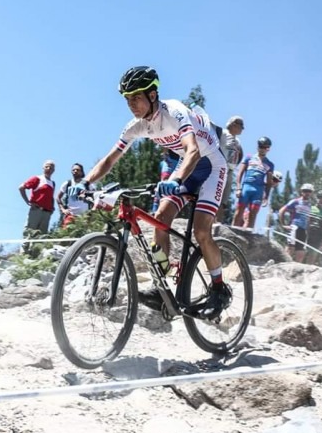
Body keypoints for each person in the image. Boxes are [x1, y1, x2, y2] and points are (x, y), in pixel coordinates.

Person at [78, 66, 228, 319]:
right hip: (186, 167)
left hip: (210, 165)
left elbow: (192, 151)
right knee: (160, 219)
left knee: (202, 231)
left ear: (152, 94)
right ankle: (163, 286)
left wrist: (176, 178)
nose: (131, 104)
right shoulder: (136, 126)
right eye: (127, 99)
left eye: (136, 97)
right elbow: (110, 159)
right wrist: (86, 183)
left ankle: (219, 289)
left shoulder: (175, 112)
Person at [232, 137, 275, 229]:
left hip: (258, 190)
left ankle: (249, 235)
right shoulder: (248, 157)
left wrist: (266, 197)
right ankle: (233, 231)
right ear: (257, 147)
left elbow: (269, 182)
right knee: (239, 211)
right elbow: (240, 173)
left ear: (268, 149)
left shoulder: (270, 164)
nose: (263, 149)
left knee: (253, 214)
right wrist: (238, 188)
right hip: (246, 187)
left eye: (265, 147)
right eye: (261, 146)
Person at [18, 160, 55, 253]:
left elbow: (51, 197)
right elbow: (21, 187)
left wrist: (52, 208)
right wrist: (28, 201)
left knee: (41, 236)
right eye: (47, 166)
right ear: (43, 168)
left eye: (51, 167)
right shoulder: (37, 179)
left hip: (46, 213)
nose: (49, 168)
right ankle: (23, 256)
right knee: (29, 232)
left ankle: (35, 256)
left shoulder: (52, 183)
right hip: (36, 210)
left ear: (54, 170)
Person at [215, 116, 244, 223]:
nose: (242, 128)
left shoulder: (238, 141)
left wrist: (234, 165)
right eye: (241, 125)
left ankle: (218, 222)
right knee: (214, 196)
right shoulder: (222, 133)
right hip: (218, 168)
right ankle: (207, 221)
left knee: (224, 200)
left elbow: (240, 154)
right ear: (233, 124)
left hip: (229, 171)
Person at [278, 183, 314, 262]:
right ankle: (284, 264)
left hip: (303, 229)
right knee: (290, 247)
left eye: (309, 191)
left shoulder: (310, 205)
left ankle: (297, 270)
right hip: (294, 227)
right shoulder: (295, 201)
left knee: (301, 251)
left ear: (311, 193)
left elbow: (308, 218)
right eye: (305, 191)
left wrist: (308, 228)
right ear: (302, 192)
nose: (307, 193)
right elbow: (281, 211)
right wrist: (283, 225)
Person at [57, 163, 94, 228]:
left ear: (82, 172)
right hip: (71, 215)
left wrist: (92, 211)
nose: (75, 171)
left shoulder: (87, 184)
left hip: (85, 216)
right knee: (67, 234)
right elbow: (58, 197)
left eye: (77, 170)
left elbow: (95, 197)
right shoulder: (68, 183)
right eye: (73, 170)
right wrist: (63, 209)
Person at [304, 189, 322, 266]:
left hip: (318, 237)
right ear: (317, 198)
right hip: (307, 235)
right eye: (319, 197)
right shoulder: (310, 208)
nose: (321, 199)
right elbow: (305, 222)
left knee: (312, 258)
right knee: (301, 254)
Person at [151, 148, 179, 214]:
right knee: (164, 183)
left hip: (178, 160)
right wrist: (165, 154)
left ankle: (161, 208)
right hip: (170, 160)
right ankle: (155, 208)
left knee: (173, 186)